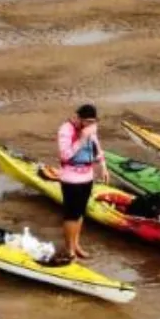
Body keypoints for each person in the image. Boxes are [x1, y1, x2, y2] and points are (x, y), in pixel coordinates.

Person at [53, 103, 102, 263]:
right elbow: (66, 155)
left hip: (87, 176)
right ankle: (69, 249)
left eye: (93, 121)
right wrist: (82, 138)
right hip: (71, 178)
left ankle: (76, 244)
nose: (90, 125)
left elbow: (96, 148)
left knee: (80, 214)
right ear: (79, 119)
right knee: (71, 215)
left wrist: (103, 166)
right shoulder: (65, 130)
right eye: (87, 121)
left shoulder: (91, 129)